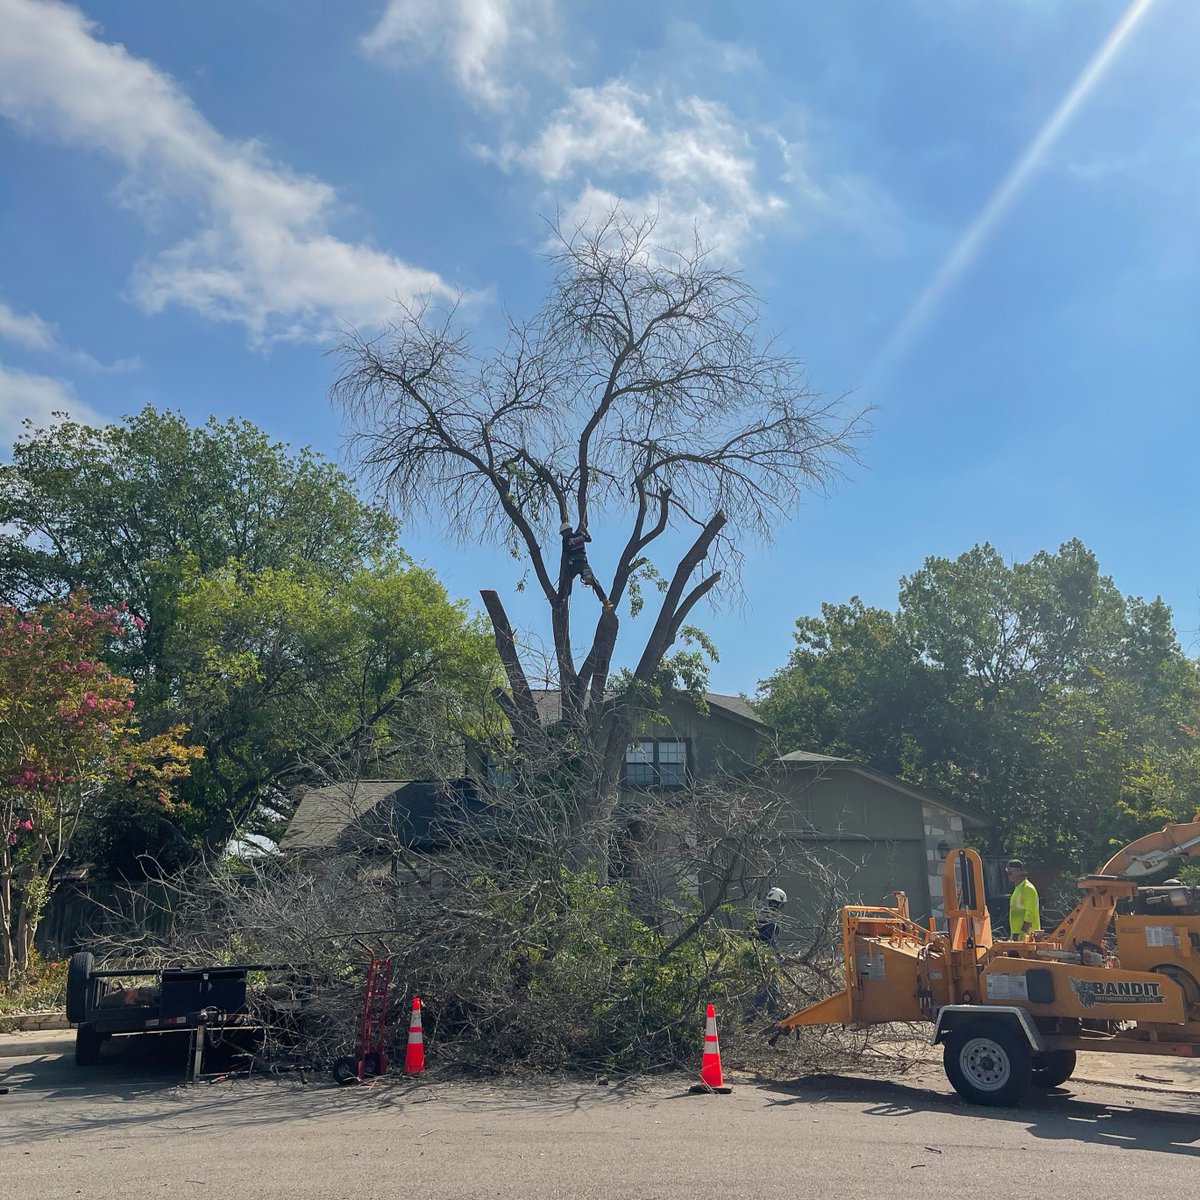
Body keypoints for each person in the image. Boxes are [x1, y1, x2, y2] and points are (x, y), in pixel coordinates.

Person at [1006, 858, 1040, 938]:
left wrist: (1023, 933)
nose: (1009, 874)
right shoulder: (1018, 888)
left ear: (1020, 871)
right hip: (1018, 935)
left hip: (1027, 937)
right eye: (1008, 872)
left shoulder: (1027, 888)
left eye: (1011, 872)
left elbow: (1030, 912)